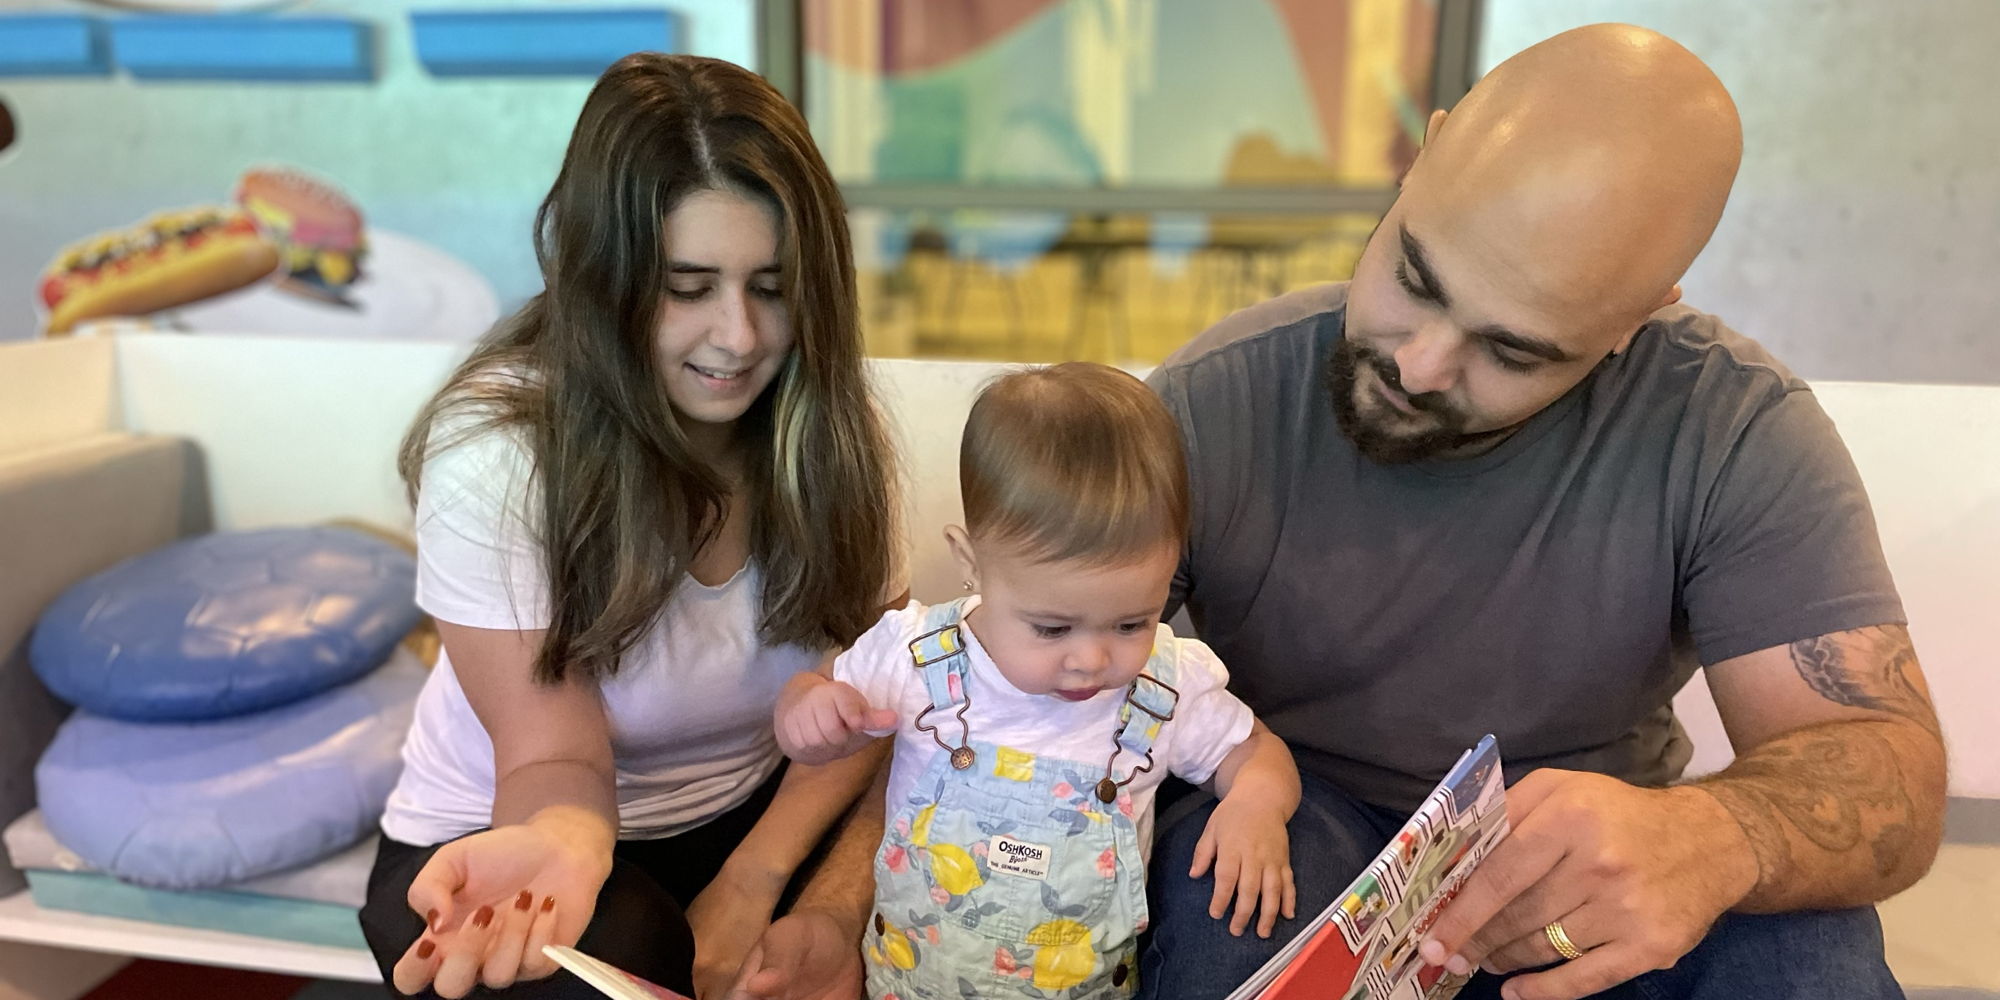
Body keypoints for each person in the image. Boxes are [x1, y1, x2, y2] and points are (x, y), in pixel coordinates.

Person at [1139, 23, 1945, 1000]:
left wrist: (1712, 835)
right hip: (1298, 820)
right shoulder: (1215, 401)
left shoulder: (1732, 427)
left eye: (1511, 351)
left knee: (1806, 946)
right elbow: (1018, 660)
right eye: (1413, 277)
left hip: (1590, 867)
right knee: (1222, 895)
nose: (1419, 364)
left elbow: (1887, 771)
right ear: (1424, 153)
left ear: (1637, 317)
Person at [357, 53, 902, 1000]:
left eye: (771, 287)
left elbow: (881, 692)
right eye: (688, 288)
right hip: (517, 828)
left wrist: (766, 884)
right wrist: (560, 844)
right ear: (602, 280)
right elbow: (553, 754)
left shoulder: (823, 427)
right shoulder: (497, 449)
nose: (739, 336)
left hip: (751, 814)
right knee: (625, 952)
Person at [774, 364, 1301, 998]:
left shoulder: (1164, 690)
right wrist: (809, 714)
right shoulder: (916, 654)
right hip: (907, 983)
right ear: (971, 563)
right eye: (1052, 628)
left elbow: (1256, 752)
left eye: (1132, 622)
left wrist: (1256, 803)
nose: (1092, 659)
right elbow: (809, 698)